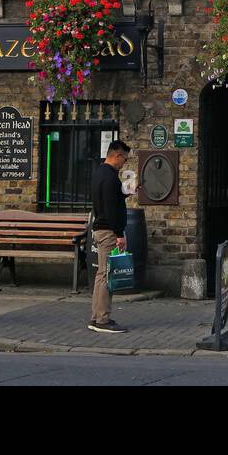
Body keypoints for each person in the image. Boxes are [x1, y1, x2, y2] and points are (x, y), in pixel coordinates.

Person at [89, 139, 131, 334]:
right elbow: (111, 208)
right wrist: (119, 233)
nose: (125, 163)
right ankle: (103, 320)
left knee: (101, 275)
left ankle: (96, 316)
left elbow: (110, 198)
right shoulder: (111, 177)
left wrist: (126, 193)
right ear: (117, 155)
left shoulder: (100, 173)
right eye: (125, 159)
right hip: (108, 231)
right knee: (107, 275)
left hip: (100, 229)